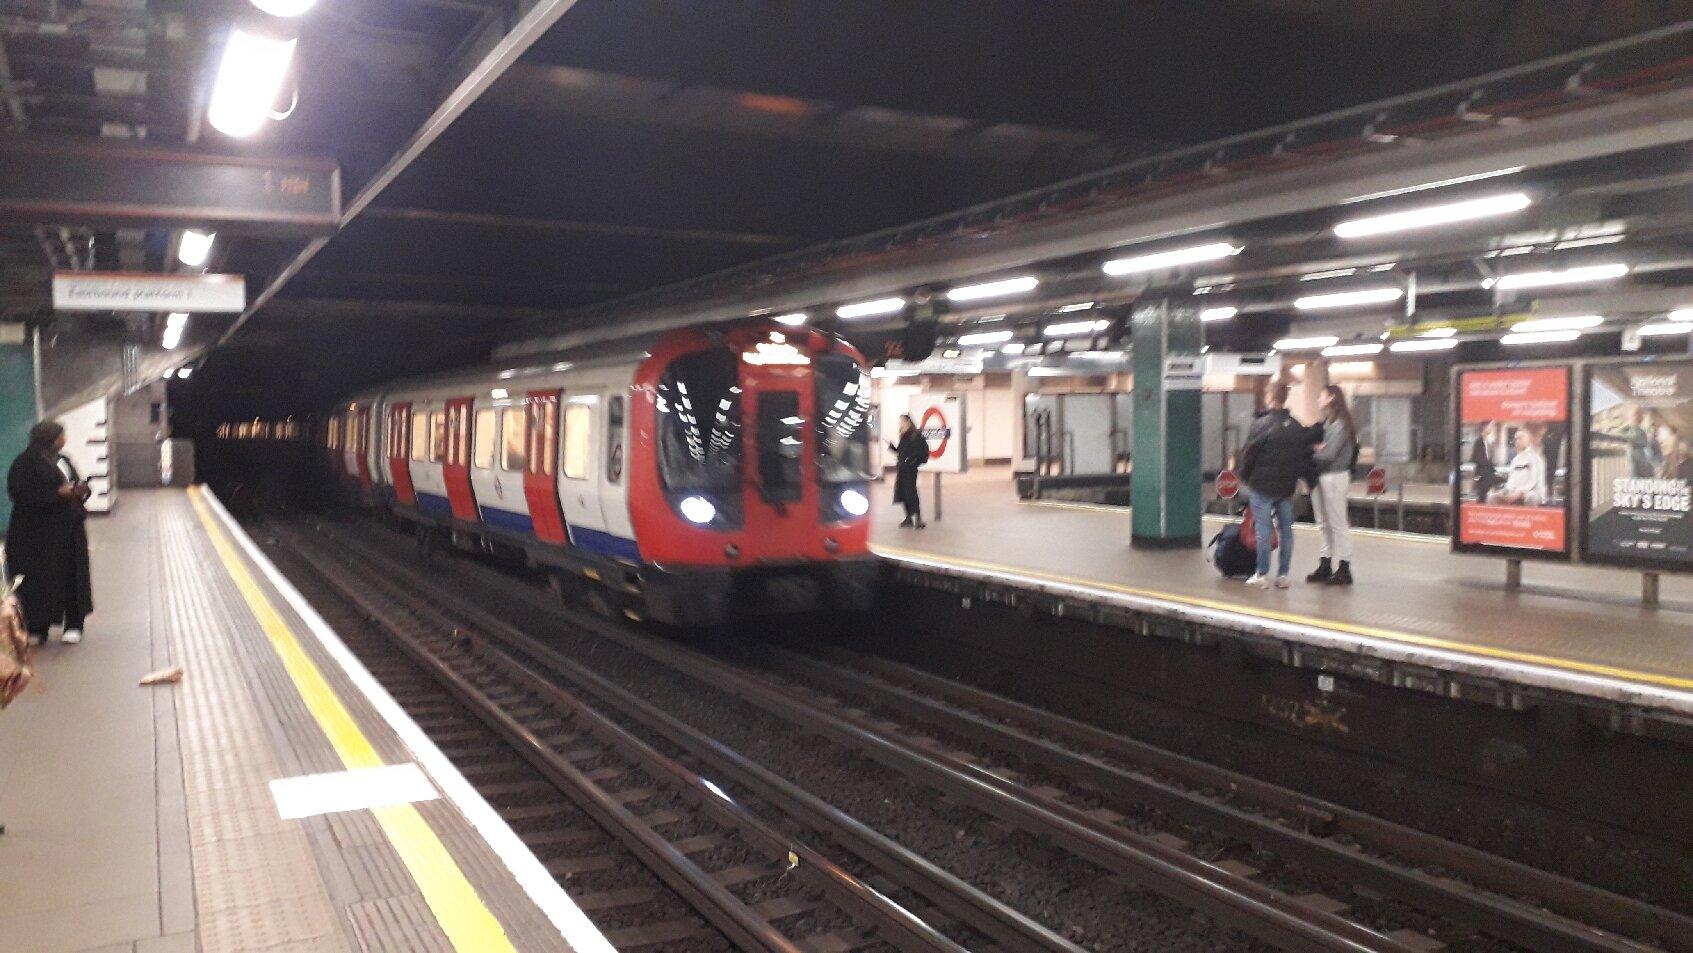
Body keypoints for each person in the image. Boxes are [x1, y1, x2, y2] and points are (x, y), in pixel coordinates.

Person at [5, 421, 93, 646]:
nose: (64, 440)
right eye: (60, 436)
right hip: (35, 535)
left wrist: (79, 490)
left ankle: (73, 624)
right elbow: (20, 494)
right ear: (50, 438)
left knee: (72, 575)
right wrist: (57, 494)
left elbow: (73, 482)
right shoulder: (24, 464)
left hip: (69, 531)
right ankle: (37, 627)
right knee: (37, 579)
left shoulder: (63, 460)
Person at [1237, 383, 1315, 589]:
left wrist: (1245, 477)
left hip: (1262, 487)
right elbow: (1304, 458)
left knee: (1263, 530)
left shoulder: (1261, 424)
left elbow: (1248, 455)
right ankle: (1283, 575)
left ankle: (1262, 574)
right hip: (1286, 488)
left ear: (1270, 396)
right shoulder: (1297, 427)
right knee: (1286, 530)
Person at [1305, 385, 1358, 586]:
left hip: (1335, 476)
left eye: (1321, 395)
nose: (1318, 399)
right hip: (1321, 477)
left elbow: (1329, 454)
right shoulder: (1327, 424)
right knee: (1323, 522)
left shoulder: (1341, 425)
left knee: (1338, 522)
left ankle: (1344, 566)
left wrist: (1311, 451)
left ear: (1331, 398)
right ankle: (1325, 562)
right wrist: (1317, 448)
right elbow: (1323, 451)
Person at [1487, 425, 1547, 505]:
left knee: (1531, 498)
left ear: (1528, 440)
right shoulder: (1515, 460)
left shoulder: (1535, 458)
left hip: (1531, 492)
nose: (1517, 441)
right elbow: (1511, 481)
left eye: (1520, 438)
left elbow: (1532, 482)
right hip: (1515, 492)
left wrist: (1519, 493)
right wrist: (1505, 491)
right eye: (1516, 438)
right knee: (1493, 497)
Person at [889, 414, 928, 528]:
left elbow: (919, 452)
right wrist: (893, 448)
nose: (900, 424)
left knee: (911, 493)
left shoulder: (915, 436)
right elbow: (901, 452)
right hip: (902, 469)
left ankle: (918, 518)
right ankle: (908, 518)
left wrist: (910, 461)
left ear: (908, 422)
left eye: (902, 421)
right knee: (902, 492)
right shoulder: (904, 436)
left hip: (910, 470)